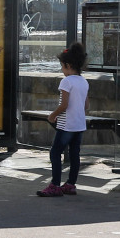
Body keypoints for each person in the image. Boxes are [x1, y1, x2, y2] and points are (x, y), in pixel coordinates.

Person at [39, 44, 90, 198]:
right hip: (79, 125)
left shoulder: (66, 82)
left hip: (66, 124)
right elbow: (87, 106)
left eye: (62, 66)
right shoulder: (84, 82)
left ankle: (54, 185)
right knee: (75, 154)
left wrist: (52, 115)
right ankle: (70, 184)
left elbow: (64, 105)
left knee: (55, 152)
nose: (62, 69)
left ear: (68, 65)